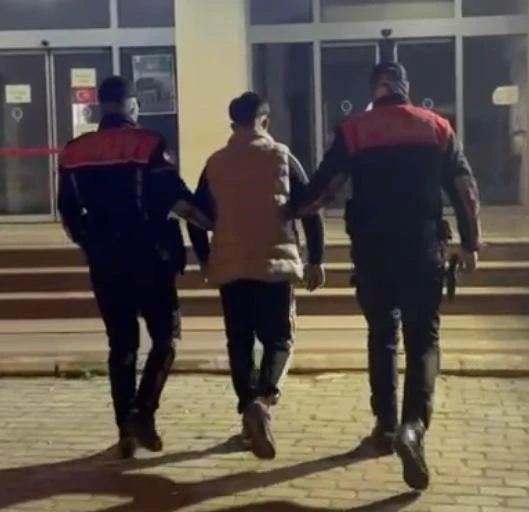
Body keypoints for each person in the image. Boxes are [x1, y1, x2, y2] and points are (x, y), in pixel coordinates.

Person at [289, 62, 481, 490]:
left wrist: (288, 212)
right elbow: (464, 190)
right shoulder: (436, 127)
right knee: (423, 339)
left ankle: (385, 425)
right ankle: (414, 427)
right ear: (405, 88)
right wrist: (471, 243)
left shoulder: (354, 130)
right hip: (422, 250)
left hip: (373, 253)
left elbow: (323, 189)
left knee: (382, 336)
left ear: (374, 89)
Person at [57, 76, 211, 459]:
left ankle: (126, 428)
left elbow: (68, 211)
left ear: (101, 105)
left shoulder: (74, 152)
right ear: (131, 105)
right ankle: (144, 412)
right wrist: (212, 222)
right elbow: (176, 199)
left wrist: (91, 243)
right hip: (151, 257)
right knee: (166, 337)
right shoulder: (149, 143)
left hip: (105, 261)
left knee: (121, 344)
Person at [187, 92, 325, 460]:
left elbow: (196, 216)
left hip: (231, 268)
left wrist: (205, 258)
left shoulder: (215, 163)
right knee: (279, 339)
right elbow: (309, 207)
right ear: (264, 119)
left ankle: (248, 412)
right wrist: (316, 258)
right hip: (274, 267)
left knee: (239, 342)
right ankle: (263, 400)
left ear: (233, 123)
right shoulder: (281, 156)